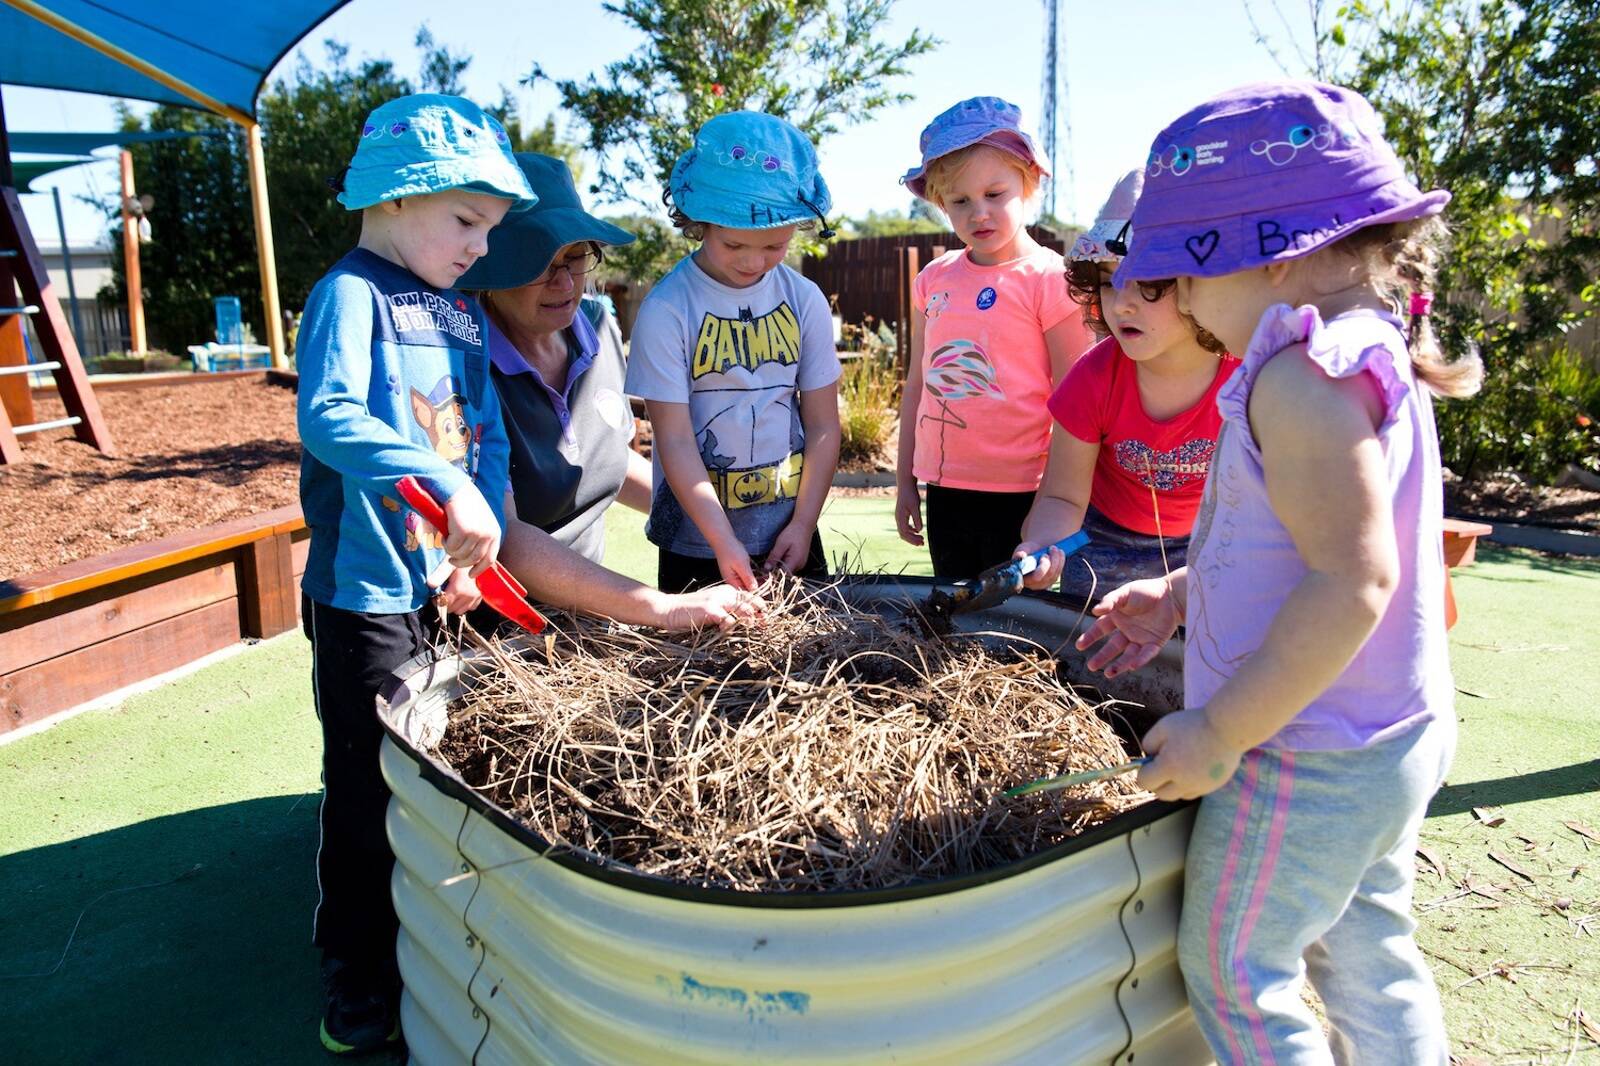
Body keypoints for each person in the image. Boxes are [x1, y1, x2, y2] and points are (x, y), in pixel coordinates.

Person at [1076, 82, 1482, 1063]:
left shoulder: (1302, 376)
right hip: (1387, 734)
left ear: (1276, 251)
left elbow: (1352, 582)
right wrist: (1180, 596)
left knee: (1234, 971)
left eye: (1181, 274)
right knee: (1365, 953)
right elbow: (1304, 549)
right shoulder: (1360, 349)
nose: (1177, 302)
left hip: (1304, 750)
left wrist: (1219, 730)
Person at [296, 93, 535, 1056]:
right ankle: (354, 964)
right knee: (368, 785)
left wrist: (478, 556)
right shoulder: (348, 292)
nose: (481, 245)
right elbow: (330, 416)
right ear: (398, 197)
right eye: (466, 220)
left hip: (449, 586)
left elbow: (485, 450)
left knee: (441, 774)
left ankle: (430, 936)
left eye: (490, 227)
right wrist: (440, 485)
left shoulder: (462, 313)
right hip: (367, 596)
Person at [454, 152, 762, 628]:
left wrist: (725, 525)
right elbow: (505, 536)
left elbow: (610, 464)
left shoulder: (598, 328)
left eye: (575, 257)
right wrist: (661, 606)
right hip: (497, 630)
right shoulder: (464, 361)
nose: (564, 283)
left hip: (586, 617)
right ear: (492, 268)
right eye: (540, 263)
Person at [624, 112, 842, 594]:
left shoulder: (804, 300)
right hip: (694, 542)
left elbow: (825, 425)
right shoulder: (667, 309)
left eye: (775, 245)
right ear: (699, 223)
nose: (753, 261)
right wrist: (722, 540)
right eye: (734, 243)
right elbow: (675, 441)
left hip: (791, 530)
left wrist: (803, 525)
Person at [893, 96, 1096, 578]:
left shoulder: (1050, 279)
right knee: (958, 621)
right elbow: (916, 384)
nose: (978, 213)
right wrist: (905, 481)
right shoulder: (934, 280)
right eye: (960, 201)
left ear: (1028, 184)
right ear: (941, 204)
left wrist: (1057, 502)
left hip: (1027, 493)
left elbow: (1078, 399)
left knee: (1018, 631)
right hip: (946, 488)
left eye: (994, 193)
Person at [1016, 169, 1238, 603]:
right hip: (1103, 544)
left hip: (1212, 545)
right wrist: (1041, 546)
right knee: (1099, 662)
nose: (1123, 301)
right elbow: (1061, 495)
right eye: (1108, 279)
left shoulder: (1248, 375)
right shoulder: (1091, 379)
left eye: (1149, 280)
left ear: (1203, 282)